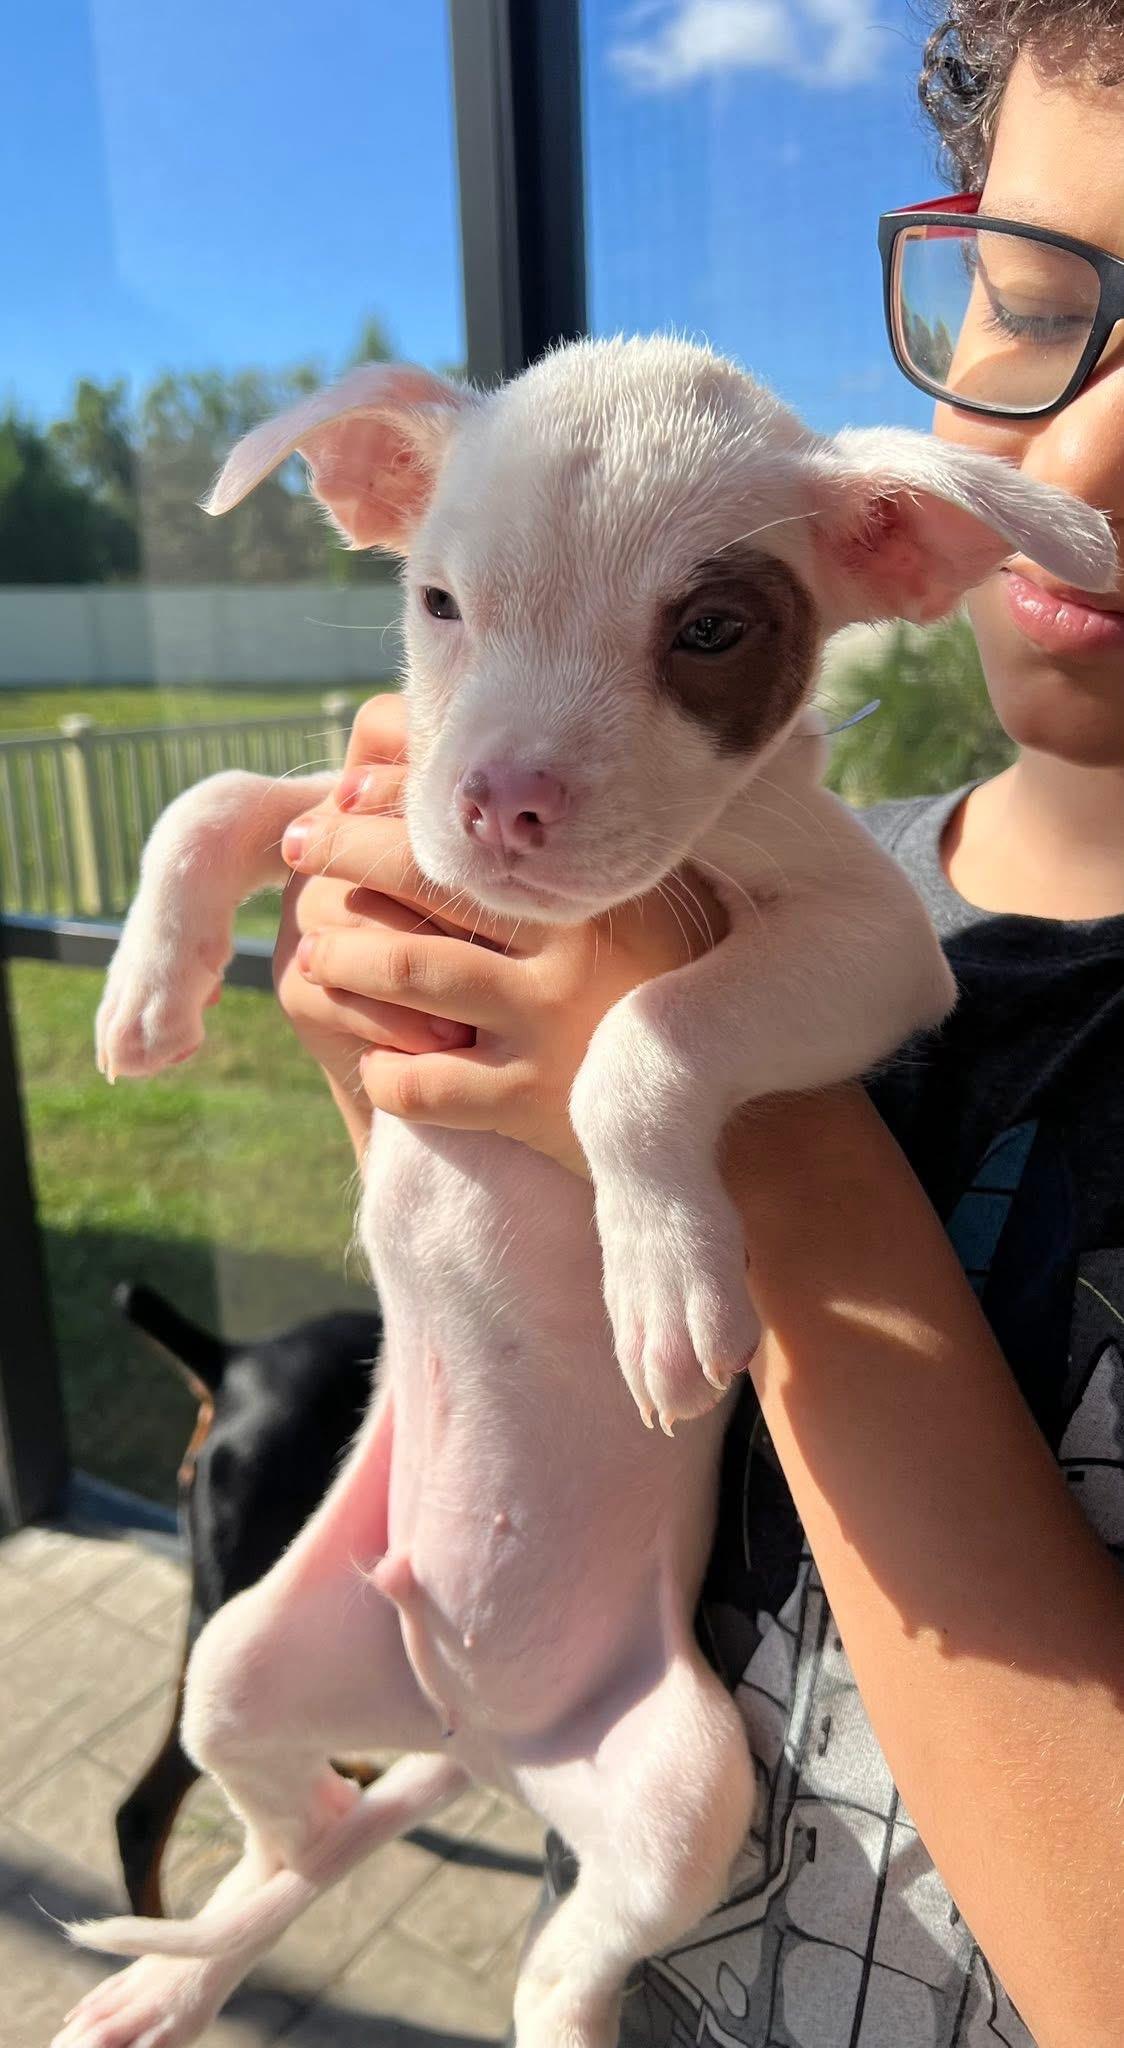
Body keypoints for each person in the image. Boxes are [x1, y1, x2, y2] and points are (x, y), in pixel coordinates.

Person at [274, 6, 1124, 2042]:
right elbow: (546, 1347)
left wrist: (711, 1101)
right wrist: (423, 1077)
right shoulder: (819, 855)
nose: (1083, 448)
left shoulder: (764, 929)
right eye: (1026, 299)